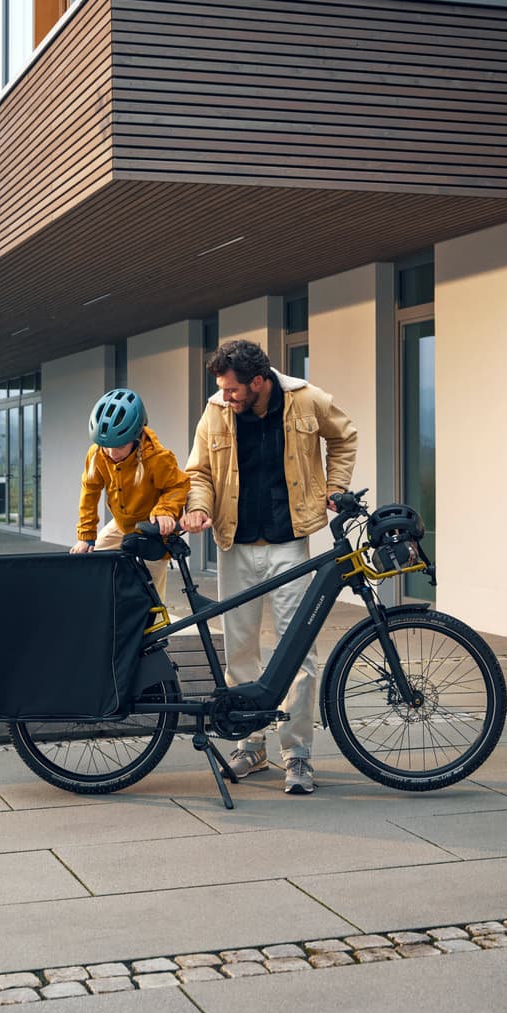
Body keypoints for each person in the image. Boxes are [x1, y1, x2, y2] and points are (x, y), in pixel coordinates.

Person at [181, 340, 358, 794]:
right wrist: (198, 507)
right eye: (222, 389)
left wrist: (335, 486)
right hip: (234, 544)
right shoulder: (216, 411)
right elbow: (199, 471)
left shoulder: (307, 399)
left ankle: (297, 753)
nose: (225, 397)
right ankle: (250, 745)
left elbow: (344, 436)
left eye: (233, 389)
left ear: (258, 382)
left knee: (297, 651)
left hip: (289, 544)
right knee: (240, 649)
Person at [71, 387, 190, 604]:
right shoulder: (97, 454)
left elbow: (177, 486)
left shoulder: (157, 458)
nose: (112, 453)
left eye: (119, 446)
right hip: (122, 524)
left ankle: (155, 624)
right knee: (93, 559)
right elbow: (90, 491)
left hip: (153, 530)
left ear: (136, 437)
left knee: (150, 592)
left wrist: (165, 511)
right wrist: (86, 535)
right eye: (106, 446)